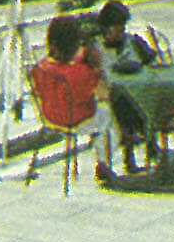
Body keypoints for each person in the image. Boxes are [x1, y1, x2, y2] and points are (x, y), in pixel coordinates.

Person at [31, 14, 121, 183]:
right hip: (75, 121)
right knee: (109, 118)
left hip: (49, 119)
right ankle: (103, 163)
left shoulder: (41, 67)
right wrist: (95, 64)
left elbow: (64, 70)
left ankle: (102, 159)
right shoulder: (80, 72)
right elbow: (102, 93)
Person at [92, 0, 155, 172]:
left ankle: (142, 145)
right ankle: (144, 144)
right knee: (122, 104)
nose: (121, 30)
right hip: (106, 99)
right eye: (117, 26)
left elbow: (152, 62)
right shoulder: (95, 48)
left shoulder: (133, 42)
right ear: (106, 27)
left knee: (134, 102)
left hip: (138, 92)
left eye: (123, 25)